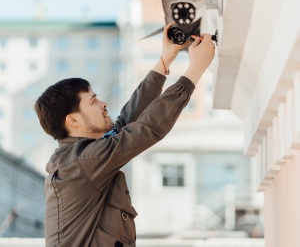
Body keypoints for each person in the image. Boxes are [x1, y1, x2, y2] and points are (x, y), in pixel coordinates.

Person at [34, 22, 215, 247]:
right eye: (93, 101)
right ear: (73, 120)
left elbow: (128, 121)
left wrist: (166, 59)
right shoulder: (84, 161)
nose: (103, 103)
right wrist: (195, 70)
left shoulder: (83, 156)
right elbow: (147, 128)